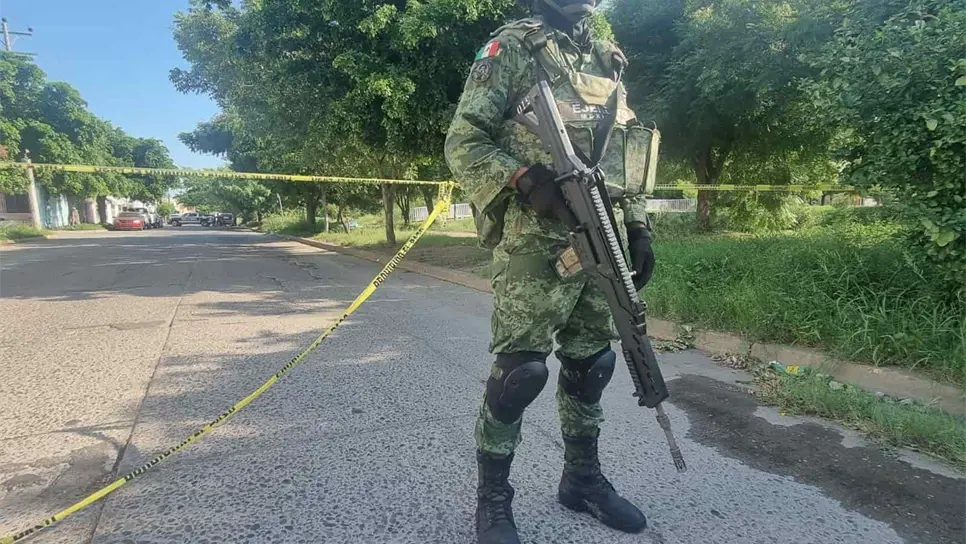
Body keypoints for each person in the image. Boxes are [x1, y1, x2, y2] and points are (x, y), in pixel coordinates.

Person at [444, 1, 659, 543]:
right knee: (520, 375)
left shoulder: (606, 60)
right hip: (533, 237)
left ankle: (581, 481)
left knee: (593, 364)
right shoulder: (512, 47)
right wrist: (523, 179)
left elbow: (623, 153)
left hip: (600, 235)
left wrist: (636, 223)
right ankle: (493, 500)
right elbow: (463, 140)